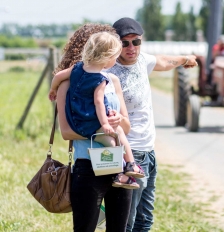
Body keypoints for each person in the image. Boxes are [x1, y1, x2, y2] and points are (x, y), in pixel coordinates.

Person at [108, 17, 198, 232]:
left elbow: (164, 61)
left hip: (148, 151)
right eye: (125, 43)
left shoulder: (142, 61)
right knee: (126, 221)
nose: (131, 48)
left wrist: (186, 58)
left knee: (145, 220)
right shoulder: (109, 71)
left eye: (136, 42)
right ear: (116, 44)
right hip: (127, 153)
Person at [54, 23, 133, 232]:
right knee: (85, 228)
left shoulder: (112, 80)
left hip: (117, 164)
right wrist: (101, 128)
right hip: (88, 166)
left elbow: (127, 126)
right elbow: (66, 132)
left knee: (118, 228)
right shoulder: (68, 84)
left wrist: (116, 121)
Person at [49, 31, 144, 189]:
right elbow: (99, 102)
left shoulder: (77, 69)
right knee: (114, 141)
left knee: (118, 134)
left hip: (80, 121)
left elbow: (58, 75)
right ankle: (126, 169)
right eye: (115, 56)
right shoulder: (100, 80)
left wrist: (52, 89)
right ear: (107, 58)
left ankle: (129, 166)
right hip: (91, 127)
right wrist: (105, 124)